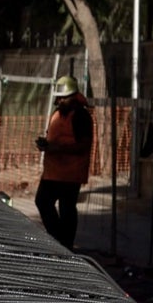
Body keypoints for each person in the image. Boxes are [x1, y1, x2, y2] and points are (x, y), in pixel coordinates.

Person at [35, 75, 93, 249]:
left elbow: (83, 145)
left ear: (73, 97)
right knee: (43, 201)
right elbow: (54, 136)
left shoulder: (81, 116)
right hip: (53, 172)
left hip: (70, 174)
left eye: (63, 98)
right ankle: (58, 240)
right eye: (58, 97)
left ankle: (65, 245)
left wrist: (56, 148)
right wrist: (46, 144)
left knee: (67, 209)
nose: (59, 100)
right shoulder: (57, 114)